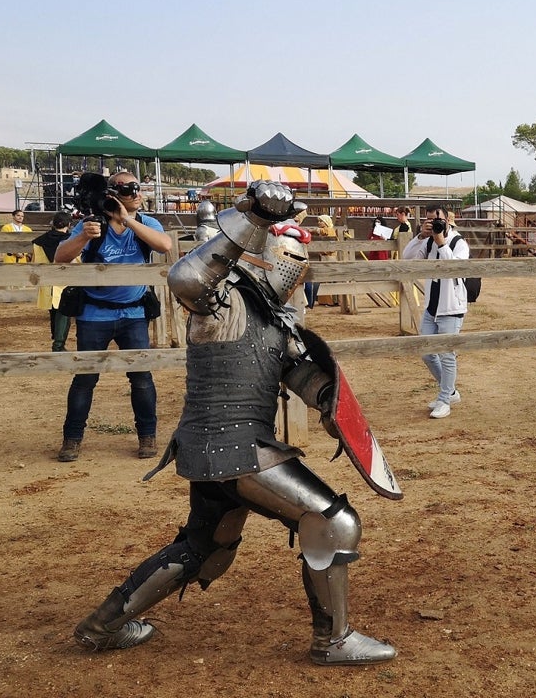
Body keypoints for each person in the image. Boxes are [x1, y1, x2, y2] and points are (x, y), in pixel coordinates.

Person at [70, 180, 396, 665]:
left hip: (216, 448)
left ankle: (102, 626)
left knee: (206, 548)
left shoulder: (275, 319)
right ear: (261, 256)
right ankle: (335, 640)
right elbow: (185, 278)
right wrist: (256, 218)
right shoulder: (221, 302)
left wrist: (330, 403)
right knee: (334, 523)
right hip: (237, 448)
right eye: (290, 256)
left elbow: (303, 375)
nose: (297, 268)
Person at [54, 172, 172, 462]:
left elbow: (165, 246)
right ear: (112, 193)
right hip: (95, 313)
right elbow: (60, 258)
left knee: (142, 378)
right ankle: (72, 439)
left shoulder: (145, 223)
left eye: (137, 187)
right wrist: (83, 236)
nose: (136, 193)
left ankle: (148, 436)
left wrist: (127, 219)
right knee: (85, 378)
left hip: (134, 311)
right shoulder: (91, 223)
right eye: (128, 189)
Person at [405, 204, 469, 419]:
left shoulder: (459, 243)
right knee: (426, 351)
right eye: (430, 220)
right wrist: (420, 237)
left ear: (448, 219)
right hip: (431, 307)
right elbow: (408, 258)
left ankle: (444, 400)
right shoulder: (429, 240)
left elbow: (454, 268)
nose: (435, 224)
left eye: (437, 220)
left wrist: (442, 242)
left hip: (451, 307)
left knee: (446, 354)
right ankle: (449, 391)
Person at [31, 211, 74, 351]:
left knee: (54, 311)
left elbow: (35, 262)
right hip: (65, 280)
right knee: (64, 313)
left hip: (47, 280)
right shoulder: (71, 240)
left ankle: (56, 339)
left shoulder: (39, 241)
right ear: (68, 224)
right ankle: (58, 344)